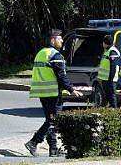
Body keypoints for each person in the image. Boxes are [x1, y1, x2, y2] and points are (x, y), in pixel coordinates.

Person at [25, 29, 82, 157]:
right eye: (60, 38)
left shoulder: (41, 53)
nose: (62, 40)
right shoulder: (55, 55)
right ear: (52, 39)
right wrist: (72, 89)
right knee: (53, 121)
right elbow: (61, 76)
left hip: (42, 93)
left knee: (50, 121)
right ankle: (34, 142)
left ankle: (53, 149)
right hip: (52, 94)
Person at [96, 34, 120, 108]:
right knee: (107, 96)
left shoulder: (112, 51)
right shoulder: (107, 51)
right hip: (105, 79)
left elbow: (113, 67)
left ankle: (114, 111)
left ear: (105, 43)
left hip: (110, 79)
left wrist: (110, 79)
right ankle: (110, 110)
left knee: (112, 96)